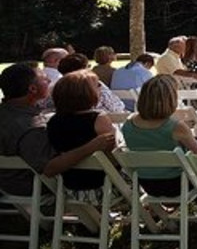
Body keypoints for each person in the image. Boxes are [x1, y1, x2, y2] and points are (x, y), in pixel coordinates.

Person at [0, 63, 115, 196]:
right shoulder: (31, 127)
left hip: (6, 184)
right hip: (30, 188)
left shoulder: (7, 113)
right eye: (44, 78)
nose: (49, 80)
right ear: (32, 89)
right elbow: (49, 168)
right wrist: (92, 146)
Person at [121, 75, 197, 196]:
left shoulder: (128, 125)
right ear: (171, 99)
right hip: (179, 184)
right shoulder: (176, 127)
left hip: (147, 184)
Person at [46, 70, 117, 201]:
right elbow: (112, 157)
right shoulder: (99, 119)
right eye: (97, 85)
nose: (101, 87)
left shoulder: (53, 122)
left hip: (69, 188)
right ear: (86, 94)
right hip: (103, 188)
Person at [58, 53, 125, 113]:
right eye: (88, 66)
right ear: (84, 69)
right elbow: (116, 107)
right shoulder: (95, 84)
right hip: (98, 122)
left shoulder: (59, 86)